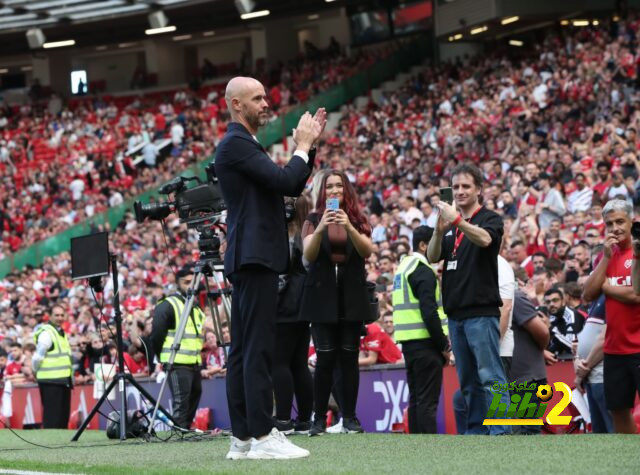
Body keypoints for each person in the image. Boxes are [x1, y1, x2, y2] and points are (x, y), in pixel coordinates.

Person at [214, 76, 323, 460]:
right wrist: (304, 146)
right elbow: (286, 182)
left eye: (265, 96)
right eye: (257, 98)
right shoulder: (237, 143)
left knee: (244, 350)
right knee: (256, 349)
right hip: (255, 256)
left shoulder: (241, 144)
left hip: (250, 256)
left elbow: (288, 182)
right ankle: (261, 435)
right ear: (236, 105)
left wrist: (308, 150)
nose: (266, 103)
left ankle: (243, 438)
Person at [427, 162, 511, 436]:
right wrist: (439, 230)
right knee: (468, 381)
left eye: (466, 186)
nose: (460, 191)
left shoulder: (489, 218)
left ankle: (501, 433)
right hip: (455, 315)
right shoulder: (448, 224)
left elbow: (486, 240)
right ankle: (476, 433)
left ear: (479, 190)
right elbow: (431, 256)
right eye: (456, 187)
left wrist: (457, 221)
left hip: (482, 312)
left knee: (490, 376)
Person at [299, 169, 374, 436]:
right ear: (323, 192)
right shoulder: (313, 219)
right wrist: (321, 227)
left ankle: (350, 417)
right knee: (326, 357)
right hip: (321, 295)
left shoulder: (357, 219)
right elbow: (307, 254)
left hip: (351, 295)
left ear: (346, 191)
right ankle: (318, 418)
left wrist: (349, 226)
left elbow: (367, 250)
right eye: (329, 187)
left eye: (339, 187)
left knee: (349, 357)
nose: (334, 191)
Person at [583, 199, 640, 434]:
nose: (615, 228)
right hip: (614, 350)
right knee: (618, 409)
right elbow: (587, 293)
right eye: (609, 224)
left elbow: (636, 295)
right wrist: (606, 258)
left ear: (631, 222)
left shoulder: (637, 252)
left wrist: (606, 287)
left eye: (620, 221)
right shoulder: (606, 256)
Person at [392, 225, 450, 434]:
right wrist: (443, 344)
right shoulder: (422, 270)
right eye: (435, 244)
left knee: (417, 397)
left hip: (409, 342)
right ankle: (427, 447)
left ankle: (417, 446)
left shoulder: (403, 267)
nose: (439, 250)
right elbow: (429, 312)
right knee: (427, 401)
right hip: (426, 344)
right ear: (424, 245)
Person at [272, 196, 314, 435]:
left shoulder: (289, 237)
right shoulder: (307, 235)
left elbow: (281, 272)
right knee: (298, 363)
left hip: (286, 305)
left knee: (280, 362)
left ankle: (285, 419)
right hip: (303, 305)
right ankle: (305, 419)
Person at [150, 264, 205, 430]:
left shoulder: (195, 306)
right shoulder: (168, 304)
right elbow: (157, 334)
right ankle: (179, 431)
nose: (190, 285)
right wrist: (161, 357)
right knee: (181, 401)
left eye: (192, 282)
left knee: (194, 396)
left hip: (194, 361)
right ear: (177, 283)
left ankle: (185, 429)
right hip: (177, 361)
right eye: (186, 282)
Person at [509, 289, 550, 435]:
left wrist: (541, 350)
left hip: (526, 380)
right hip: (509, 380)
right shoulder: (489, 297)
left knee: (527, 432)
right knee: (510, 432)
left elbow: (543, 332)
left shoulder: (515, 297)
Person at [574, 293, 613, 433]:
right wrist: (578, 359)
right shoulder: (596, 299)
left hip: (603, 373)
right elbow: (587, 339)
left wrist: (585, 367)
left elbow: (607, 337)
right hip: (590, 375)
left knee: (613, 430)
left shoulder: (612, 295)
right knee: (599, 432)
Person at [32, 304, 73, 428]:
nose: (60, 318)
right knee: (52, 418)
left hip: (63, 380)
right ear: (50, 316)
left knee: (63, 417)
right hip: (50, 381)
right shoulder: (47, 333)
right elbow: (38, 356)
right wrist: (35, 370)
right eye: (56, 315)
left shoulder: (60, 332)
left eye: (62, 315)